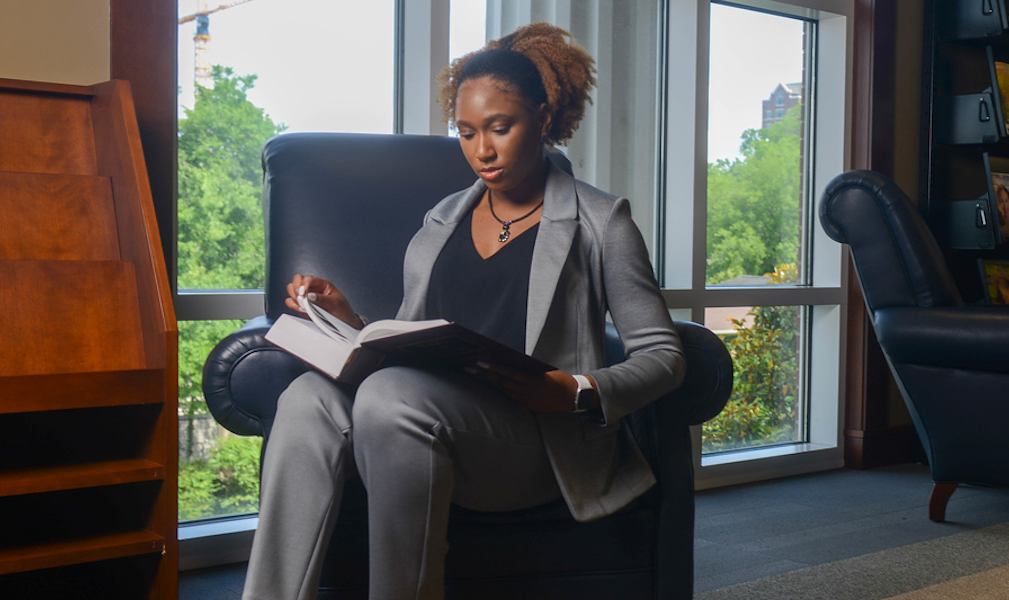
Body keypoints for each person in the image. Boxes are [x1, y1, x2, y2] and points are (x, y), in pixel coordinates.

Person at [242, 23, 686, 600]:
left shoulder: (603, 222)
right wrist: (349, 320)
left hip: (531, 443)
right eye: (467, 131)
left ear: (544, 117)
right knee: (305, 400)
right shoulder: (440, 221)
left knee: (390, 399)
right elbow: (410, 334)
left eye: (501, 127)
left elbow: (665, 355)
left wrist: (575, 390)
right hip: (422, 421)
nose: (482, 150)